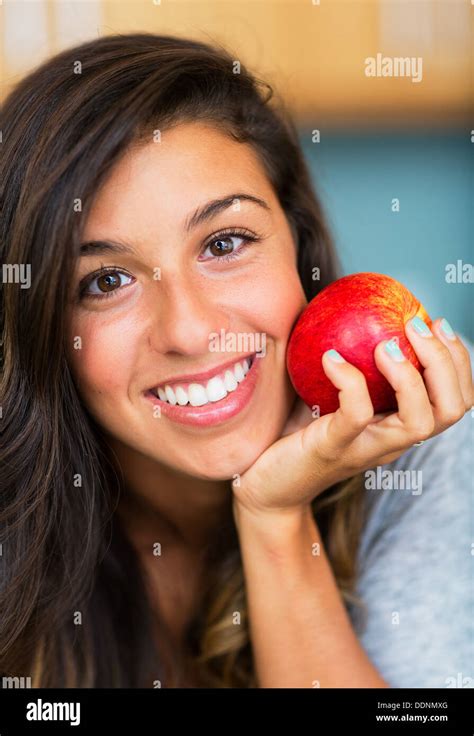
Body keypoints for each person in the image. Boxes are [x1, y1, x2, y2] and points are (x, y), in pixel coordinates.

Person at [1, 33, 472, 688]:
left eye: (224, 242)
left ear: (298, 242)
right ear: (42, 326)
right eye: (106, 282)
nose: (192, 331)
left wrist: (276, 518)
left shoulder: (422, 435)